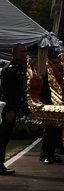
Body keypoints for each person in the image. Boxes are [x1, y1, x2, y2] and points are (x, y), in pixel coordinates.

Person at [1, 45, 30, 175]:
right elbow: (8, 93)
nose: (24, 54)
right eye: (21, 51)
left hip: (14, 107)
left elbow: (19, 91)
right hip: (8, 109)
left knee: (5, 137)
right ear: (13, 53)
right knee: (2, 138)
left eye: (26, 51)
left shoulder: (20, 68)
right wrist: (10, 110)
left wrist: (19, 108)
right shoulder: (9, 70)